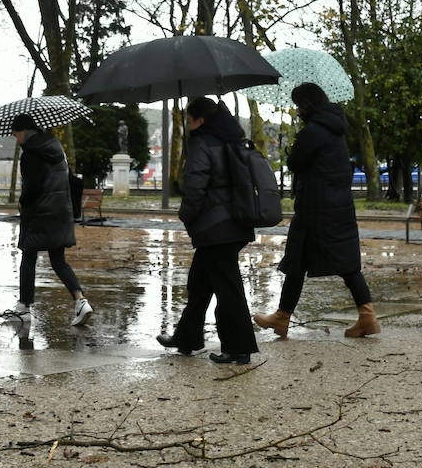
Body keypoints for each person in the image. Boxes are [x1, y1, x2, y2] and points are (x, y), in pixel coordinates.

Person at [253, 82, 378, 339]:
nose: (297, 110)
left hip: (315, 209)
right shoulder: (335, 129)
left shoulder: (314, 131)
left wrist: (294, 146)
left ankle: (283, 317)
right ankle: (365, 316)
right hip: (337, 206)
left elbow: (295, 162)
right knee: (338, 264)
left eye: (299, 105)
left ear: (307, 105)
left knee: (297, 261)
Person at [156, 97, 260, 364]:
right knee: (200, 283)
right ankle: (186, 338)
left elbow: (195, 186)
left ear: (200, 120)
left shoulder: (202, 143)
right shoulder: (231, 140)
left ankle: (239, 348)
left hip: (216, 227)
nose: (188, 125)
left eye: (190, 120)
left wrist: (187, 215)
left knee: (228, 289)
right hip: (235, 222)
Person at [5, 113, 92, 325]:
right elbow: (68, 180)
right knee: (58, 260)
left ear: (24, 131)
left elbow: (33, 186)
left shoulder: (31, 153)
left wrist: (22, 201)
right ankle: (81, 301)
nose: (17, 139)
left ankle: (24, 308)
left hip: (39, 213)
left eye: (16, 135)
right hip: (60, 211)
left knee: (28, 257)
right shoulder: (56, 148)